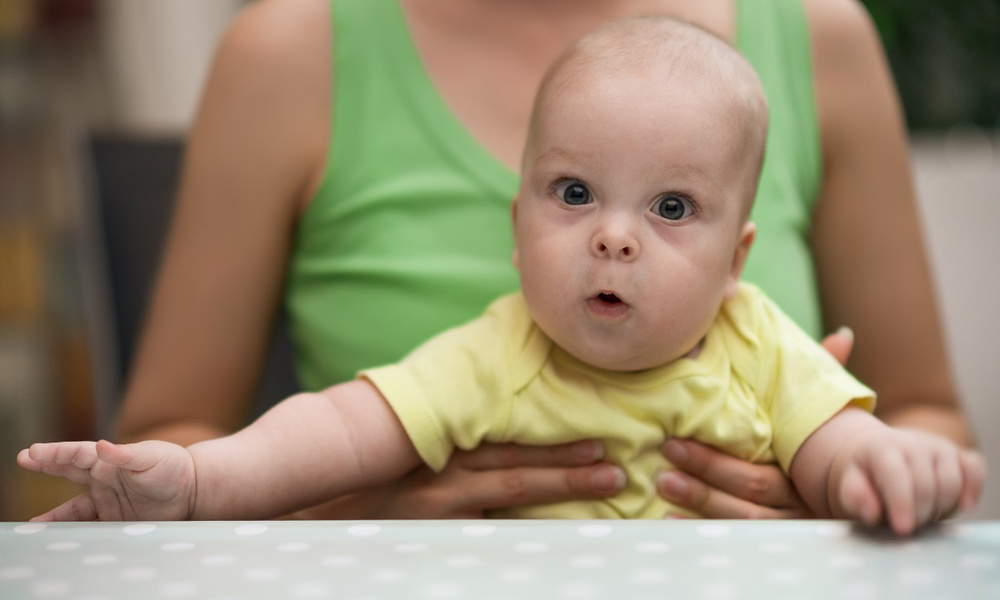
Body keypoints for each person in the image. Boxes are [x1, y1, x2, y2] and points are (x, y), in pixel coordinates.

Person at [21, 17, 983, 534]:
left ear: (740, 264)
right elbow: (341, 426)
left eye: (673, 209)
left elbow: (850, 443)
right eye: (572, 194)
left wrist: (874, 478)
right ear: (515, 232)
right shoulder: (501, 353)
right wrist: (196, 480)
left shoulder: (760, 342)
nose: (614, 238)